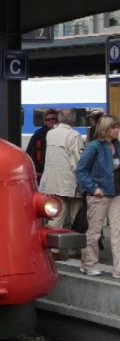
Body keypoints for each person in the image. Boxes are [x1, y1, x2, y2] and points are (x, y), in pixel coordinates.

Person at [75, 115, 120, 277]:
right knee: (94, 232)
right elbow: (80, 170)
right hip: (99, 194)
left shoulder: (117, 145)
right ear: (105, 129)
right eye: (113, 127)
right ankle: (88, 264)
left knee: (118, 230)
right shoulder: (94, 147)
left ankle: (118, 268)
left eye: (117, 127)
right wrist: (93, 188)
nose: (117, 130)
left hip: (116, 193)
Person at [39, 108, 85, 260]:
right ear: (73, 120)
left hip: (53, 181)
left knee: (56, 215)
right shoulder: (74, 135)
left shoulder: (50, 134)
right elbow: (77, 161)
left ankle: (55, 249)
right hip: (70, 182)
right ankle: (74, 248)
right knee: (76, 216)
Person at [26, 108, 58, 182]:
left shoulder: (60, 133)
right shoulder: (39, 133)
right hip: (41, 169)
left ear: (57, 120)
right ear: (45, 121)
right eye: (48, 119)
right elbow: (30, 150)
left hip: (55, 168)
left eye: (53, 119)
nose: (51, 121)